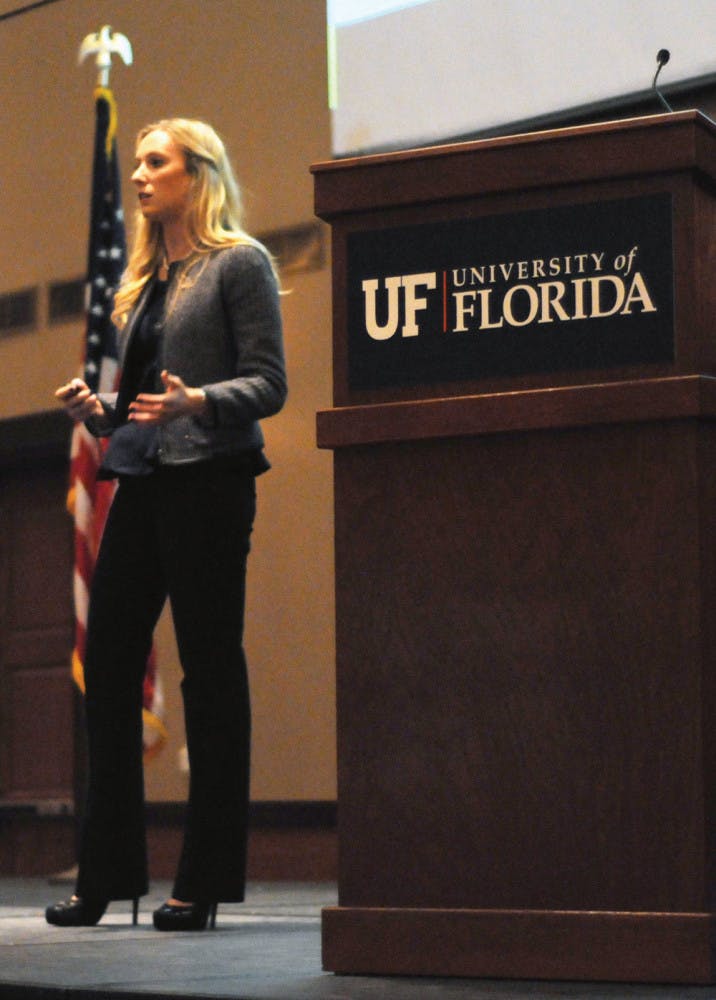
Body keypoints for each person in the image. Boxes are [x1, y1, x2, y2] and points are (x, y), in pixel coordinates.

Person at [46, 118, 287, 932]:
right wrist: (103, 412)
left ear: (198, 174)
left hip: (212, 483)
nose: (140, 176)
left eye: (157, 162)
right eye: (139, 163)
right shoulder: (144, 283)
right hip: (145, 480)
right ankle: (109, 873)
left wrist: (199, 401)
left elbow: (269, 384)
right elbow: (146, 404)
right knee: (107, 666)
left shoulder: (239, 263)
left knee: (210, 673)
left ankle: (204, 880)